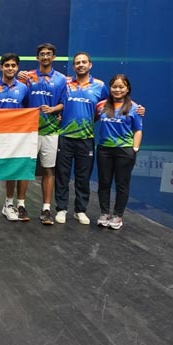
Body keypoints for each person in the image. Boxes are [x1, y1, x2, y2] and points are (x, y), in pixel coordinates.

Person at [54, 52, 108, 225]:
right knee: (62, 175)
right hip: (65, 136)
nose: (81, 65)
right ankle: (61, 209)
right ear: (73, 66)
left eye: (84, 62)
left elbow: (106, 109)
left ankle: (80, 210)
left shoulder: (100, 86)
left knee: (83, 176)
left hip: (86, 138)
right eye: (77, 62)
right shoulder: (65, 83)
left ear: (90, 65)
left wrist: (137, 109)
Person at [17, 43, 67, 225]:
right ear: (37, 57)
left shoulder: (62, 79)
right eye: (42, 54)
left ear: (53, 57)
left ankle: (46, 209)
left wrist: (54, 108)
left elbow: (63, 103)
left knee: (48, 169)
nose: (45, 57)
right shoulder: (26, 77)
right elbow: (18, 100)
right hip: (29, 131)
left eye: (49, 54)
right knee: (25, 168)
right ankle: (20, 205)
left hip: (51, 132)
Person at [0, 53, 30, 222]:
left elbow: (28, 109)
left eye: (13, 66)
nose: (10, 68)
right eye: (7, 65)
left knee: (12, 170)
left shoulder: (24, 88)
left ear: (17, 68)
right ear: (1, 67)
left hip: (16, 137)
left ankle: (9, 204)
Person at [95, 74, 143, 230]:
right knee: (104, 183)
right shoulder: (101, 105)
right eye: (114, 86)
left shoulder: (135, 108)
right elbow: (91, 117)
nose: (117, 89)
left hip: (125, 150)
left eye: (121, 86)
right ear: (110, 88)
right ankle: (104, 213)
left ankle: (118, 215)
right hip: (104, 150)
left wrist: (134, 149)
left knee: (122, 185)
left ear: (127, 88)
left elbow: (138, 130)